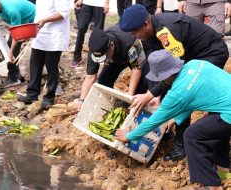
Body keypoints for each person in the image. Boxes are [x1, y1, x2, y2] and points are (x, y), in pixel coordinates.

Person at [119, 4, 229, 161]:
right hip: (190, 55)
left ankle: (184, 141)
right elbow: (155, 63)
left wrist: (150, 94)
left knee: (186, 92)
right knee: (170, 93)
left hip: (210, 53)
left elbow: (175, 72)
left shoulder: (167, 33)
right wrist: (154, 93)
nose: (134, 36)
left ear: (145, 24)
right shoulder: (148, 33)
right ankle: (169, 127)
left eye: (135, 32)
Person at [116, 49, 231, 190]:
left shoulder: (176, 95)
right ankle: (224, 171)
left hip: (229, 112)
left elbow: (153, 121)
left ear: (165, 76)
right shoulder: (195, 64)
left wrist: (129, 136)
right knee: (214, 126)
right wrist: (177, 117)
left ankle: (212, 184)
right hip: (226, 106)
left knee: (192, 136)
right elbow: (192, 99)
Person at [77, 25, 154, 110]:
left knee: (142, 83)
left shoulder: (130, 42)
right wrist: (82, 100)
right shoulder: (96, 48)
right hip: (115, 58)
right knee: (103, 80)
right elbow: (90, 77)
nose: (104, 59)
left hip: (138, 54)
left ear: (112, 45)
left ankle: (135, 110)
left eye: (105, 56)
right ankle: (105, 107)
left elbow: (137, 68)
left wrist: (129, 95)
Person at [17, 0, 70, 109]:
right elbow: (41, 12)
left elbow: (63, 13)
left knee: (51, 68)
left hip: (54, 36)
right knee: (35, 65)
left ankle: (49, 98)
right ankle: (32, 94)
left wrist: (45, 20)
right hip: (40, 35)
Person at [0, 0, 35, 88]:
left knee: (11, 49)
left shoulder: (11, 11)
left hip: (31, 19)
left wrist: (10, 51)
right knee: (10, 48)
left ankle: (14, 78)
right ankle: (15, 75)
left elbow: (16, 35)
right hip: (19, 20)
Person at [70, 0, 110, 68]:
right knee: (81, 28)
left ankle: (97, 57)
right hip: (87, 3)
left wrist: (106, 3)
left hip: (100, 4)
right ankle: (77, 57)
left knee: (98, 33)